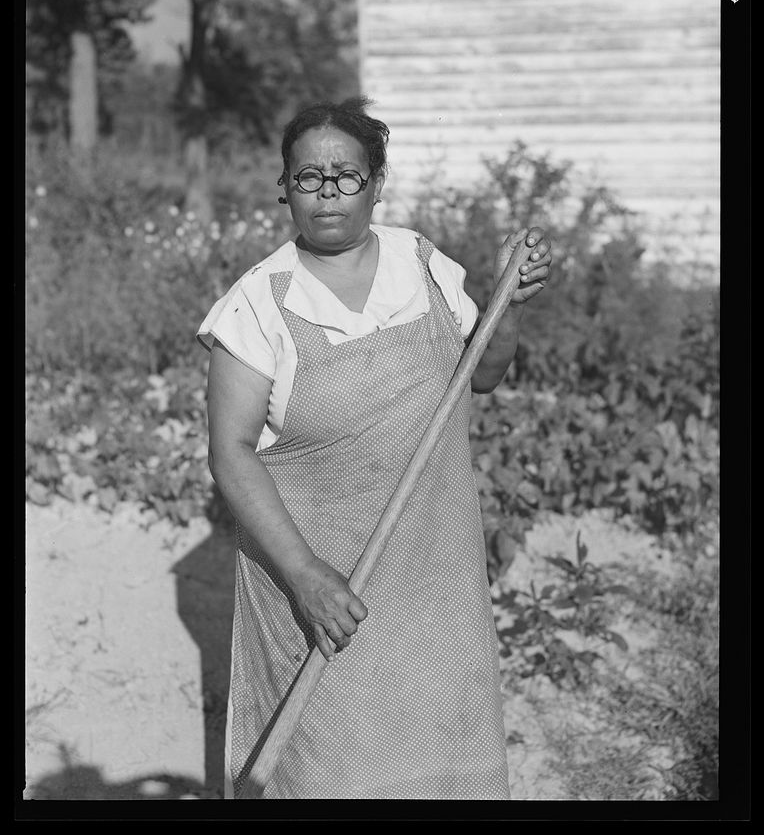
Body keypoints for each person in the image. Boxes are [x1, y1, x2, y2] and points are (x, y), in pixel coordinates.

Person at [197, 96, 553, 800]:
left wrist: (506, 307)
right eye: (308, 177)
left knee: (442, 762)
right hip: (322, 595)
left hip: (432, 578)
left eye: (346, 175)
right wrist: (305, 575)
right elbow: (231, 453)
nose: (328, 192)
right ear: (286, 188)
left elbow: (481, 373)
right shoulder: (258, 303)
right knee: (334, 773)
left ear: (376, 182)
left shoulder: (423, 265)